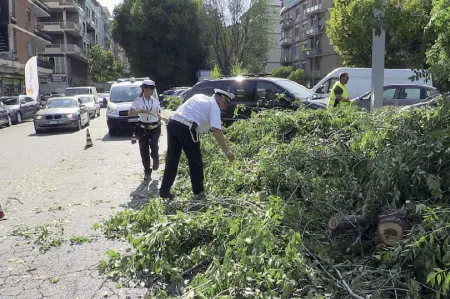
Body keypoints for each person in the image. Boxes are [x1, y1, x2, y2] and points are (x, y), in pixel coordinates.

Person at [159, 89, 236, 199]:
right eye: (225, 104)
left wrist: (225, 141)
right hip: (187, 127)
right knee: (195, 162)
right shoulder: (214, 105)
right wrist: (226, 151)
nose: (225, 108)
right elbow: (217, 131)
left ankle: (164, 192)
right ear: (220, 98)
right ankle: (199, 194)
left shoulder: (200, 96)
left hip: (173, 123)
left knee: (172, 160)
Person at [128, 79, 168, 180]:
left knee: (154, 145)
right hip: (142, 128)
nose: (152, 90)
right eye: (150, 88)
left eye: (153, 88)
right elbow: (130, 113)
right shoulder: (137, 101)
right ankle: (147, 171)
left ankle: (155, 157)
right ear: (144, 89)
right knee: (144, 150)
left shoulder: (155, 100)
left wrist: (163, 118)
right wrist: (141, 110)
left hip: (155, 127)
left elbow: (157, 113)